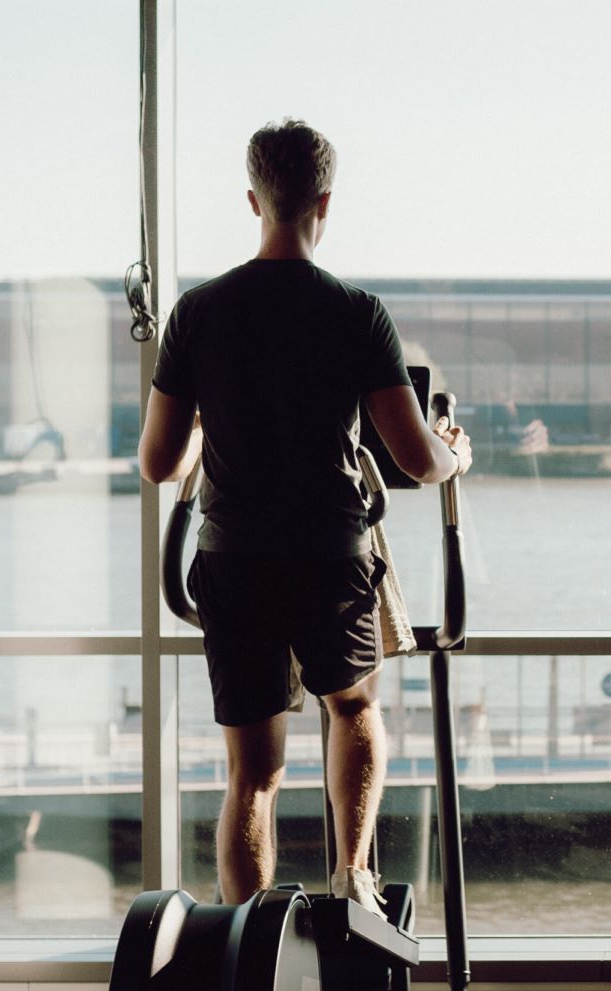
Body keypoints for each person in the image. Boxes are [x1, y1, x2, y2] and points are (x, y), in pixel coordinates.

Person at [137, 118, 471, 912]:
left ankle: (248, 938)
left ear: (254, 199)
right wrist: (455, 450)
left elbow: (158, 463)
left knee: (252, 774)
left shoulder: (198, 312)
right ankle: (352, 876)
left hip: (234, 558)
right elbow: (418, 459)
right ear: (325, 202)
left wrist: (212, 427)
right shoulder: (356, 311)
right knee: (352, 706)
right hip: (330, 555)